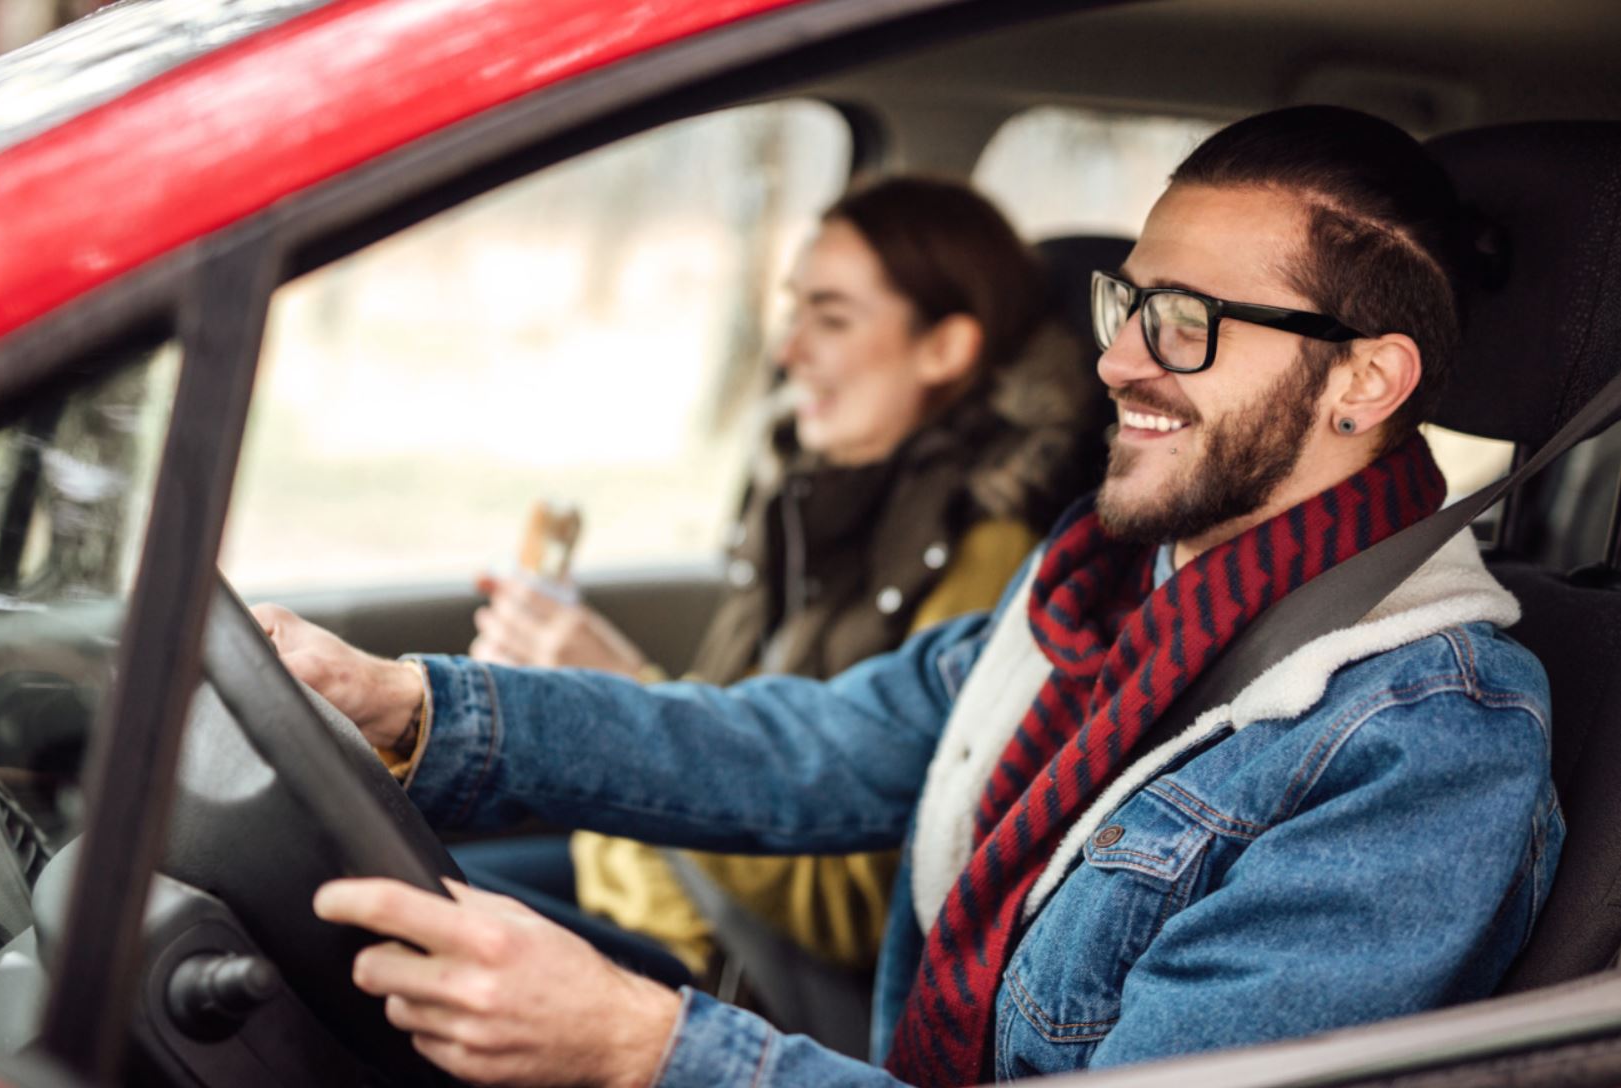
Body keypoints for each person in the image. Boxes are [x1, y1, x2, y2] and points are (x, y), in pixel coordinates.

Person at [261, 106, 1562, 1087]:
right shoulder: (1106, 584)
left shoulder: (1426, 735)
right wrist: (417, 707)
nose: (1116, 359)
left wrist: (644, 1044)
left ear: (1365, 382)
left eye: (1182, 320)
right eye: (1127, 302)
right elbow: (809, 747)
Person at [455, 176, 1105, 985]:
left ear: (945, 348)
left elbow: (858, 911)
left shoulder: (988, 563)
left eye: (829, 318)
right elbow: (739, 725)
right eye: (793, 309)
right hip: (663, 890)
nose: (789, 350)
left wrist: (622, 689)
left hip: (743, 979)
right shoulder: (805, 504)